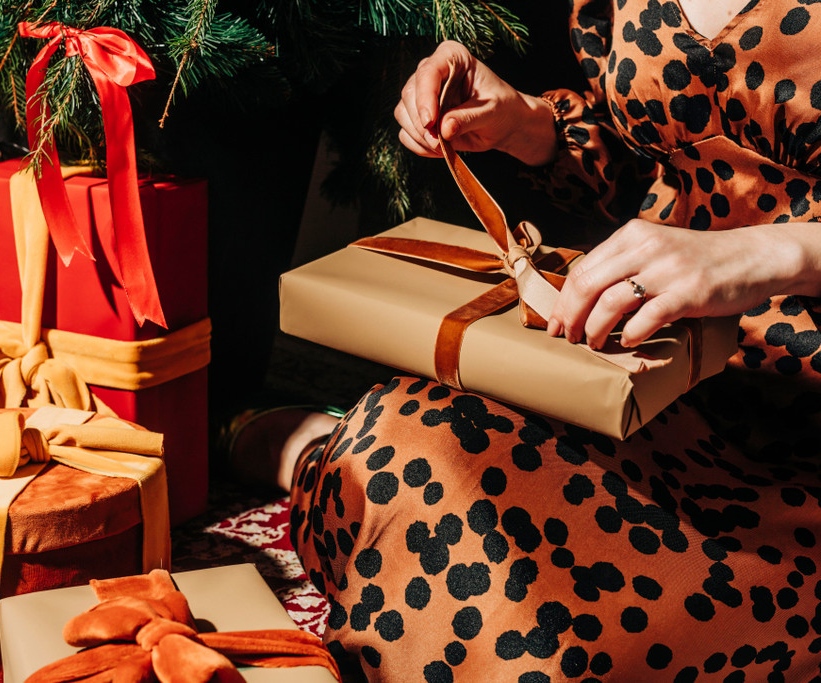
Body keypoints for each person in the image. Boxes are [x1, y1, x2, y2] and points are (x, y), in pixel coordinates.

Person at [230, 1, 821, 680]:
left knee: (576, 635)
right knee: (407, 441)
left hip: (802, 443)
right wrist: (528, 126)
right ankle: (328, 455)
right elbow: (654, 163)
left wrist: (781, 251)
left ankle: (315, 462)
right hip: (651, 381)